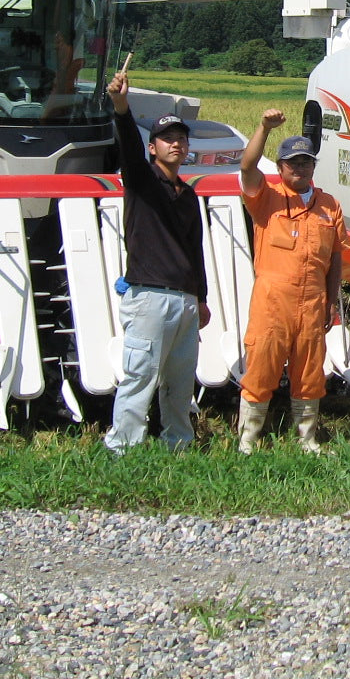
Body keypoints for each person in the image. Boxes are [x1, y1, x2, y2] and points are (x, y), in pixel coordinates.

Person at [103, 71, 211, 453]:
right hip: (148, 296)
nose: (176, 144)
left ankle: (177, 447)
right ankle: (123, 450)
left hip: (184, 301)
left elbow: (195, 249)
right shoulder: (142, 182)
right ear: (153, 148)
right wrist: (121, 106)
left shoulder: (188, 194)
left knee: (180, 382)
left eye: (181, 139)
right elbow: (129, 147)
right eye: (167, 139)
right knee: (139, 377)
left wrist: (201, 297)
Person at [236, 111, 344, 455]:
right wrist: (264, 127)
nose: (300, 168)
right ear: (280, 168)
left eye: (306, 163)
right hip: (272, 302)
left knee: (311, 370)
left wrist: (331, 301)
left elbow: (336, 260)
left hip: (312, 302)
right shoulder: (265, 198)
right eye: (293, 163)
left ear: (313, 166)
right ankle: (248, 439)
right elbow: (247, 168)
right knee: (262, 368)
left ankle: (307, 438)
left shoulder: (329, 206)